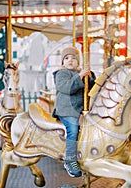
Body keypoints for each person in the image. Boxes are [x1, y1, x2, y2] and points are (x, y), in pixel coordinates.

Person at [52, 46, 96, 178]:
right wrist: (81, 75)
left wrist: (90, 76)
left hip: (81, 109)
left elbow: (92, 87)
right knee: (73, 130)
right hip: (66, 109)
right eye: (66, 58)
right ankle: (70, 160)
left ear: (78, 62)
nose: (70, 60)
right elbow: (67, 88)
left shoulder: (79, 73)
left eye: (73, 58)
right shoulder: (61, 74)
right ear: (62, 62)